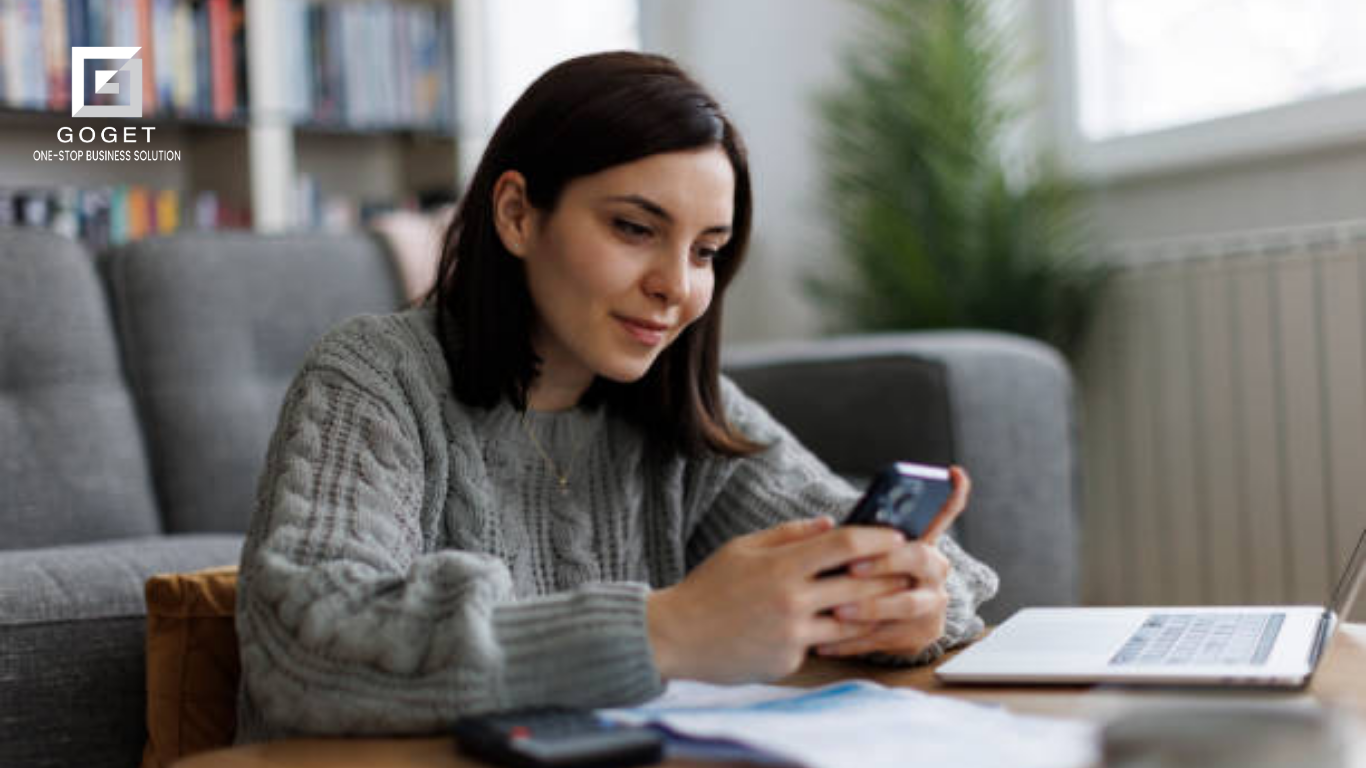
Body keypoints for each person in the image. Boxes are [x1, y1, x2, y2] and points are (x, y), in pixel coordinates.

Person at [234, 51, 998, 742]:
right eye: (635, 228)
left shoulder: (686, 412)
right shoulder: (375, 376)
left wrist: (911, 606)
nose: (676, 285)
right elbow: (309, 645)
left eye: (705, 251)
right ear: (516, 214)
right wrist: (668, 629)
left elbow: (949, 574)